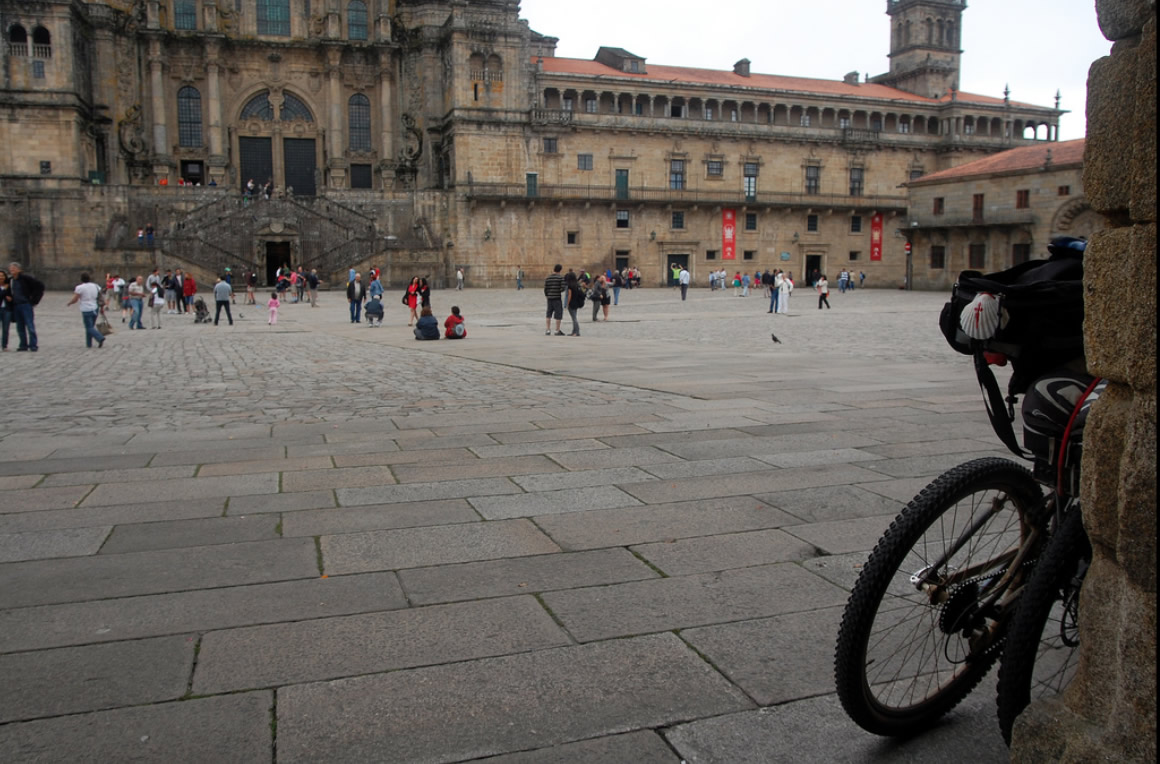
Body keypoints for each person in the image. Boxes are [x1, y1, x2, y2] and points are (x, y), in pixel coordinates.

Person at [8, 262, 44, 351]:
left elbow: (40, 286)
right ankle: (23, 345)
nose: (12, 269)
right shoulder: (10, 280)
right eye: (11, 268)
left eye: (14, 268)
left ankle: (33, 345)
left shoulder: (26, 279)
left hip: (25, 305)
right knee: (20, 327)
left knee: (30, 325)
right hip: (16, 306)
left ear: (19, 270)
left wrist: (34, 300)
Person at [66, 272, 106, 348]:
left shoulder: (80, 287)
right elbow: (100, 296)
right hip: (95, 307)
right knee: (91, 326)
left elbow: (75, 299)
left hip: (86, 309)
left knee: (89, 327)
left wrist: (70, 303)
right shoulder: (95, 286)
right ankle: (88, 343)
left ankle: (100, 337)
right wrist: (102, 308)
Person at [544, 264, 565, 336]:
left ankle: (547, 329)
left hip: (549, 298)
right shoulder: (560, 278)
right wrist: (558, 290)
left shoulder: (548, 278)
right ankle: (557, 330)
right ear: (560, 270)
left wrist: (547, 295)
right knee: (558, 314)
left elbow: (545, 289)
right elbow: (563, 288)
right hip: (557, 298)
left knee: (548, 313)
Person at [565, 269, 584, 336]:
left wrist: (567, 304)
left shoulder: (570, 285)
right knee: (574, 317)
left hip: (572, 303)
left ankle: (576, 332)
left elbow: (569, 295)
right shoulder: (577, 284)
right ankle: (574, 331)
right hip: (576, 302)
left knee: (574, 318)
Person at [0, 270, 11, 351]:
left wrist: (10, 299)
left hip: (6, 309)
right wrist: (4, 291)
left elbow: (11, 296)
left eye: (3, 275)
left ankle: (4, 345)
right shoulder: (5, 287)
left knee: (6, 328)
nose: (1, 277)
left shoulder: (9, 286)